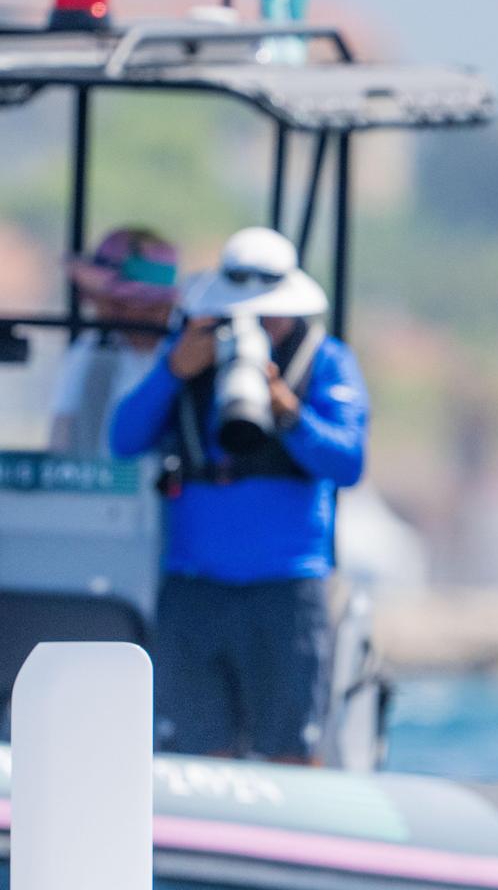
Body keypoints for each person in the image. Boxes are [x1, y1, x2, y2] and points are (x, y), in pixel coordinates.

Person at [110, 226, 368, 764]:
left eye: (270, 313)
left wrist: (289, 413)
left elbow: (347, 463)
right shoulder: (187, 359)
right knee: (197, 757)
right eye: (243, 312)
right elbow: (124, 439)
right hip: (194, 591)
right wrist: (173, 371)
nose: (257, 325)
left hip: (287, 592)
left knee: (291, 755)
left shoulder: (326, 362)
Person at [50, 226, 180, 458]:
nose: (95, 304)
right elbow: (63, 439)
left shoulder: (188, 355)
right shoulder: (92, 348)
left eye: (113, 298)